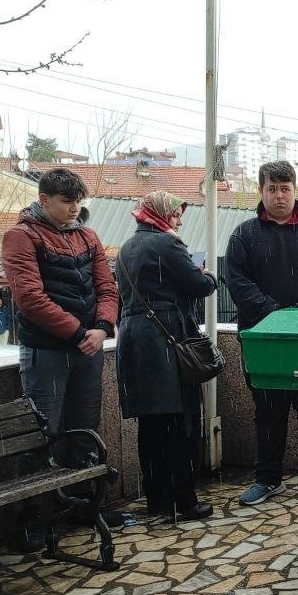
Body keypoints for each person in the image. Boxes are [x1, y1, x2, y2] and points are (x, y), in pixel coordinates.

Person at [2, 167, 121, 540]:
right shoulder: (21, 237)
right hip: (46, 351)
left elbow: (107, 287)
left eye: (78, 201)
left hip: (88, 349)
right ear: (44, 200)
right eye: (66, 201)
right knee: (40, 433)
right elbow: (30, 299)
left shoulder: (88, 236)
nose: (74, 208)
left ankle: (83, 506)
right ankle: (30, 519)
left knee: (84, 431)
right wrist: (78, 332)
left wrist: (102, 328)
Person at [224, 160, 298, 507]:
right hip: (262, 340)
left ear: (295, 191)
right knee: (267, 412)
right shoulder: (244, 234)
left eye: (285, 189)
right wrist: (275, 315)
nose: (279, 196)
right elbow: (236, 281)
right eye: (272, 189)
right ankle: (268, 479)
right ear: (261, 191)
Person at [115, 192, 219, 521]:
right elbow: (198, 285)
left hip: (135, 342)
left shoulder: (127, 248)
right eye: (175, 214)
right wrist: (207, 275)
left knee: (152, 428)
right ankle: (184, 501)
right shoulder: (166, 243)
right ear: (160, 214)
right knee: (181, 423)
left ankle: (157, 500)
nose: (179, 220)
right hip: (167, 340)